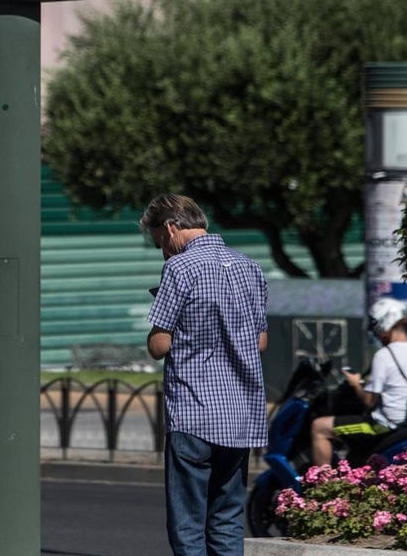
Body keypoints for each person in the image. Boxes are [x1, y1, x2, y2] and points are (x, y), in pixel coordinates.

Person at [142, 194, 268, 556]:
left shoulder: (180, 269)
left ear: (170, 229)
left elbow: (159, 344)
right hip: (240, 414)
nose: (163, 252)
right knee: (227, 518)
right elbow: (260, 341)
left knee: (187, 521)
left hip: (194, 410)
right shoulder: (250, 267)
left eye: (159, 243)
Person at [310, 297, 407, 467]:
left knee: (319, 427)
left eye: (376, 327)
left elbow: (369, 401)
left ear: (384, 323)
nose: (376, 333)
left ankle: (323, 484)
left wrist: (355, 383)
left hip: (386, 426)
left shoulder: (384, 355)